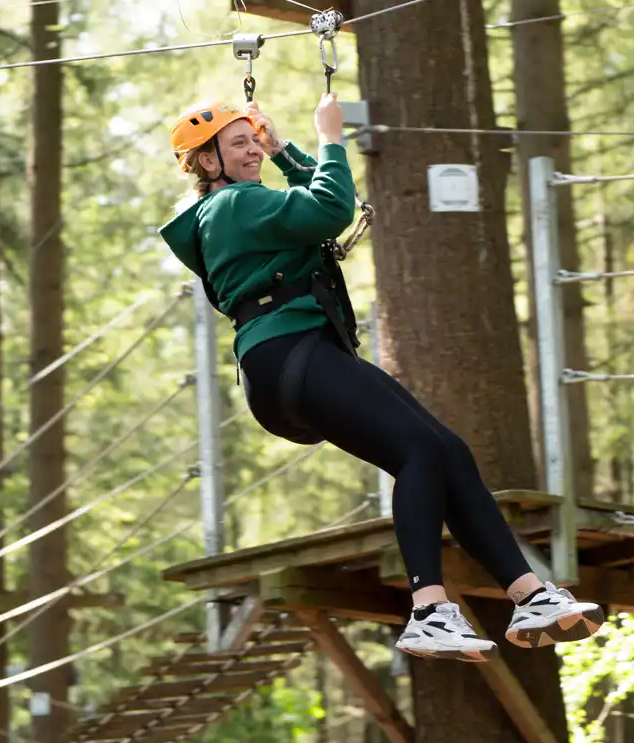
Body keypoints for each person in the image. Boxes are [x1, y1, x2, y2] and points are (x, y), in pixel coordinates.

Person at [158, 91, 606, 661]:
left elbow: (319, 206)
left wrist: (284, 149)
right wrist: (328, 137)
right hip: (290, 352)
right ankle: (429, 610)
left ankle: (529, 593)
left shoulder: (244, 208)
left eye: (253, 141)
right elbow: (330, 209)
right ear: (206, 162)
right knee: (420, 450)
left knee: (446, 451)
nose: (252, 152)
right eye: (238, 144)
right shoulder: (235, 205)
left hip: (293, 360)